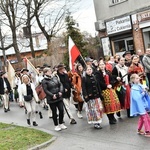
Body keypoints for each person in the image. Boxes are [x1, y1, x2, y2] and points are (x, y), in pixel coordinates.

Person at [95, 60, 121, 124]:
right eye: (100, 65)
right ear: (99, 66)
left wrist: (111, 84)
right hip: (104, 90)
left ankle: (113, 116)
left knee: (114, 103)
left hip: (111, 89)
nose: (102, 66)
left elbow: (112, 79)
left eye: (103, 64)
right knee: (107, 105)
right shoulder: (97, 73)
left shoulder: (108, 72)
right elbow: (99, 82)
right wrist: (106, 86)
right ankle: (110, 118)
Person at [42, 67, 67, 131]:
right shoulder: (44, 81)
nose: (50, 72)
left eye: (50, 71)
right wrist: (52, 95)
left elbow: (60, 84)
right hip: (51, 98)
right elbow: (45, 90)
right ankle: (56, 125)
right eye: (49, 71)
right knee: (54, 112)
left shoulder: (55, 77)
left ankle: (61, 123)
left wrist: (61, 91)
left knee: (61, 110)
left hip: (59, 96)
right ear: (45, 73)